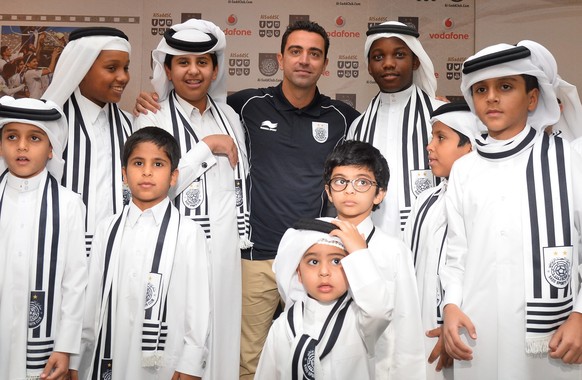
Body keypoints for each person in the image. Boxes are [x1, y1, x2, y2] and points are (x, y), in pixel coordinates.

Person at [133, 20, 360, 378]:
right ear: (280, 58)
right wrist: (152, 100)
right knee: (247, 359)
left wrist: (433, 108)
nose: (304, 60)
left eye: (314, 54)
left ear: (325, 63)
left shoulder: (343, 117)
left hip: (313, 257)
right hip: (254, 258)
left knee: (319, 352)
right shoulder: (246, 106)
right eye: (296, 52)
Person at [441, 40, 582, 379]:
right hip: (477, 331)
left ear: (532, 98)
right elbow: (456, 253)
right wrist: (450, 306)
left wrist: (580, 314)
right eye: (480, 89)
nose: (491, 97)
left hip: (556, 337)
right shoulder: (465, 169)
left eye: (505, 87)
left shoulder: (569, 160)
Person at [133, 18, 248, 380]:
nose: (193, 71)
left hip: (227, 255)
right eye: (183, 62)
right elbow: (148, 189)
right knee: (175, 346)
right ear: (168, 69)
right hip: (174, 254)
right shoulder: (151, 116)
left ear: (216, 70)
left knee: (223, 344)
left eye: (202, 62)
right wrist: (205, 147)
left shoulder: (230, 116)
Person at [70, 127, 211, 380]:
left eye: (158, 164)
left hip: (165, 358)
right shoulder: (107, 229)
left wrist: (191, 364)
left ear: (173, 176)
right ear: (124, 174)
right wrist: (78, 356)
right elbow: (91, 301)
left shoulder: (189, 233)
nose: (147, 172)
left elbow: (198, 305)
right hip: (111, 352)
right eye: (138, 163)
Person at [0, 96, 87, 380]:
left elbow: (75, 284)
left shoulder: (69, 204)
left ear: (51, 149)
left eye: (34, 138)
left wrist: (65, 347)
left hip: (45, 345)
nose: (22, 146)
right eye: (12, 136)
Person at [322, 140, 425, 379]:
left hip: (374, 366)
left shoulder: (394, 250)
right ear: (328, 191)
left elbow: (405, 323)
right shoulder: (311, 241)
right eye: (340, 181)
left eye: (362, 182)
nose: (349, 190)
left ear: (379, 194)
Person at [256, 218, 392, 379]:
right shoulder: (283, 326)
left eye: (336, 261)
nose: (324, 272)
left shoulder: (360, 320)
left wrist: (359, 253)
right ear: (298, 273)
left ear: (351, 267)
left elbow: (379, 310)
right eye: (313, 262)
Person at [403, 101, 481, 380]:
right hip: (419, 334)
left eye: (441, 138)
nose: (430, 146)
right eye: (431, 137)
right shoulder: (424, 201)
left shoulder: (483, 201)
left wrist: (453, 332)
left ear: (469, 146)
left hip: (463, 339)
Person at [347, 21, 445, 238]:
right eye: (378, 57)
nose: (388, 64)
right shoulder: (358, 126)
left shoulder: (441, 117)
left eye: (399, 55)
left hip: (430, 240)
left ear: (416, 62)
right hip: (371, 241)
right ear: (369, 66)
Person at [42, 26, 133, 256]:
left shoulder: (131, 124)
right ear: (80, 69)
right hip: (61, 255)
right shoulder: (50, 124)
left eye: (126, 68)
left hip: (120, 255)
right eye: (112, 68)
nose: (123, 77)